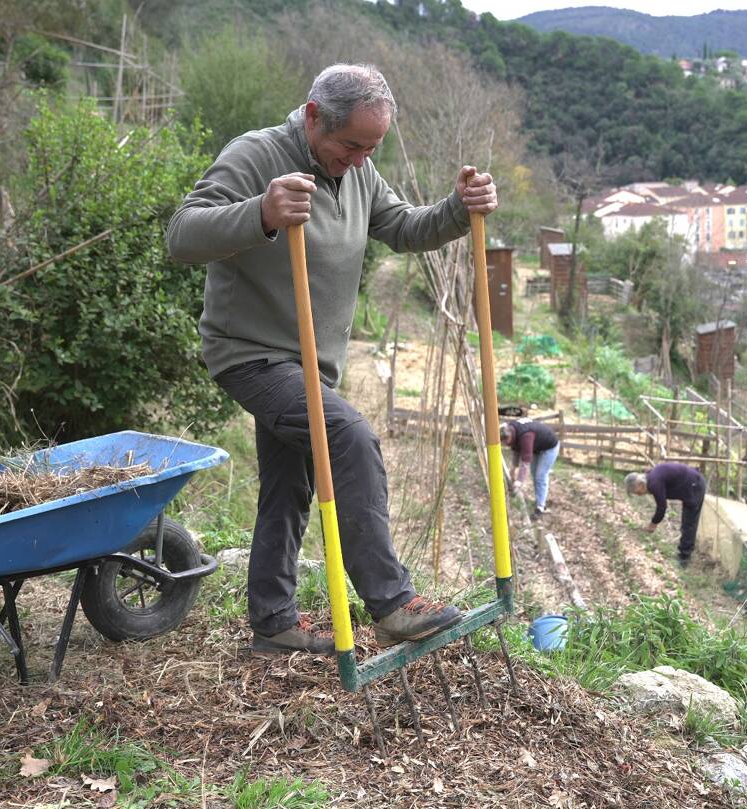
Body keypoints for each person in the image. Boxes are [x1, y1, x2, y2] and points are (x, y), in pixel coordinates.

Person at [166, 64, 498, 654]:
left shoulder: (359, 171)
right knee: (349, 437)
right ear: (315, 115)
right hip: (251, 353)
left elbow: (401, 226)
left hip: (312, 364)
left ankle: (272, 622)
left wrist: (457, 207)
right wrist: (262, 213)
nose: (361, 159)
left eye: (372, 148)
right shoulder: (256, 155)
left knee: (289, 484)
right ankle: (392, 602)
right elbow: (182, 235)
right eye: (351, 145)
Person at [624, 463, 707, 566]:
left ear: (640, 484)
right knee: (687, 521)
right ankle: (683, 553)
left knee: (689, 523)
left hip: (695, 485)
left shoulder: (654, 482)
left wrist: (653, 523)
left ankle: (684, 558)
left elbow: (662, 507)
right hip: (691, 484)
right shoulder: (652, 477)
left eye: (637, 492)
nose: (639, 495)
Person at [500, 420, 559, 520]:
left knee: (540, 476)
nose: (506, 443)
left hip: (549, 447)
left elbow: (525, 462)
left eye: (506, 440)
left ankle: (540, 507)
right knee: (534, 473)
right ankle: (539, 499)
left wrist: (519, 481)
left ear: (510, 435)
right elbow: (516, 450)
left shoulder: (526, 436)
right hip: (537, 447)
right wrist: (513, 469)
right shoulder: (512, 430)